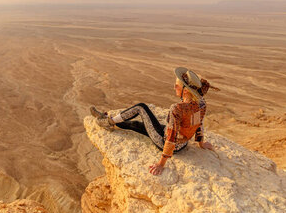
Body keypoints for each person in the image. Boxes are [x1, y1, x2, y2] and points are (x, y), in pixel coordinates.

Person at [90, 67, 219, 176]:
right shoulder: (200, 104)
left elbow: (171, 138)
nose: (174, 87)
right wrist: (201, 143)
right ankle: (108, 120)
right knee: (136, 125)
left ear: (185, 91)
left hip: (164, 142)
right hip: (183, 144)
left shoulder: (178, 109)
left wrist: (160, 164)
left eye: (177, 86)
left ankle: (107, 121)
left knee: (141, 108)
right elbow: (198, 123)